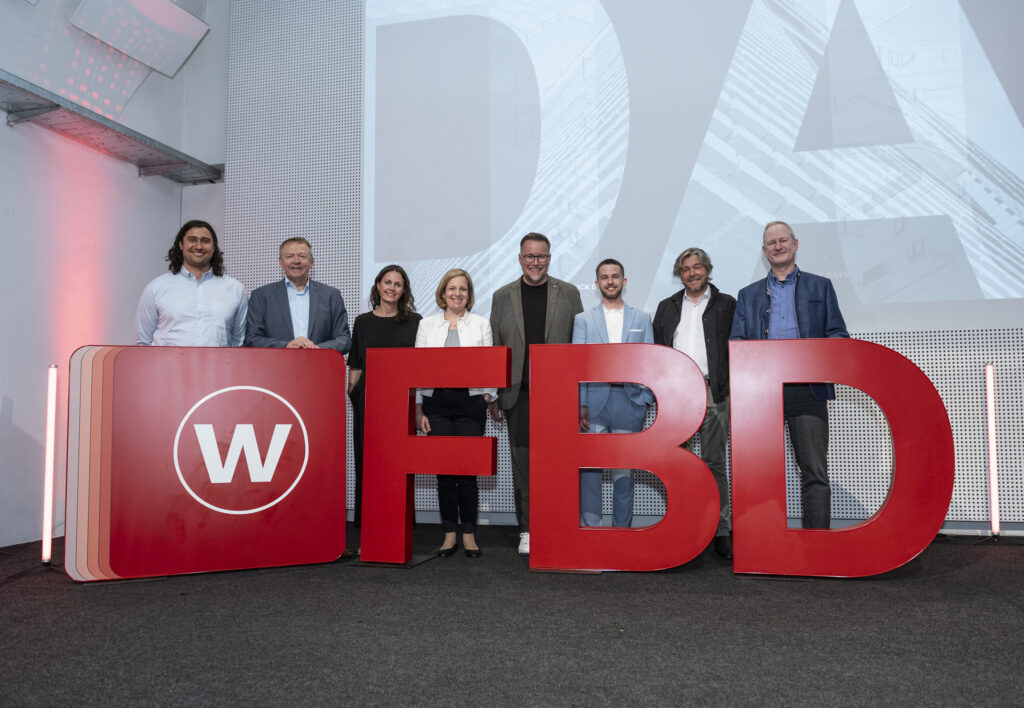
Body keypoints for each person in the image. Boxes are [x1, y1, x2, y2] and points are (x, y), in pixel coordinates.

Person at [730, 220, 849, 529]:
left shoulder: (819, 286)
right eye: (772, 243)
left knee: (814, 470)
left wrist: (817, 357)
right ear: (764, 251)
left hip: (808, 390)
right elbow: (738, 343)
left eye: (783, 240)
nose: (778, 246)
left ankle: (817, 544)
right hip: (763, 394)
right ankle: (763, 540)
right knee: (759, 471)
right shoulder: (748, 294)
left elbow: (838, 334)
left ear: (795, 244)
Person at [490, 233, 584, 555]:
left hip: (558, 397)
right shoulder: (502, 296)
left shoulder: (569, 294)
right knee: (523, 467)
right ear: (519, 258)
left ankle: (557, 524)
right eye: (529, 256)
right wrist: (494, 395)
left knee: (558, 464)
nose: (535, 262)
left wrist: (580, 398)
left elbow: (580, 351)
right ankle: (528, 529)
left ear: (549, 258)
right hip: (519, 397)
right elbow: (496, 350)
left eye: (541, 257)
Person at [653, 248, 736, 558]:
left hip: (715, 393)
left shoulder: (727, 304)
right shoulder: (667, 307)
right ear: (679, 274)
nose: (692, 273)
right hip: (678, 395)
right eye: (685, 269)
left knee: (714, 462)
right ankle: (687, 526)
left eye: (697, 267)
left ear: (707, 269)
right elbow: (659, 352)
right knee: (681, 465)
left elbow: (735, 348)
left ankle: (721, 530)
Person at [415, 269, 496, 559]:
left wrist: (488, 394)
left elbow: (490, 363)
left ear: (469, 294)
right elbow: (418, 368)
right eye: (452, 288)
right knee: (445, 474)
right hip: (436, 405)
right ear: (443, 292)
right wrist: (419, 407)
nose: (457, 293)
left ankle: (470, 535)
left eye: (463, 289)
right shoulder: (426, 325)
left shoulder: (481, 324)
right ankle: (449, 533)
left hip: (470, 405)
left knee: (468, 473)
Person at [573, 259, 653, 528]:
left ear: (624, 281)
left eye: (615, 276)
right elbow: (578, 364)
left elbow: (650, 361)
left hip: (629, 403)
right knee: (590, 472)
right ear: (597, 284)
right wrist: (580, 403)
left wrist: (644, 400)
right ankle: (591, 530)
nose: (610, 281)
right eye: (604, 277)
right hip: (593, 403)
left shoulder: (642, 318)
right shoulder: (583, 320)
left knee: (624, 472)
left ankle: (622, 532)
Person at [347, 265, 421, 530]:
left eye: (398, 284)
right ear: (378, 285)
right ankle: (369, 520)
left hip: (402, 401)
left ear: (404, 290)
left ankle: (398, 520)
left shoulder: (416, 321)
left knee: (399, 461)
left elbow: (420, 366)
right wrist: (355, 396)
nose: (392, 288)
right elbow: (355, 364)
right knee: (367, 460)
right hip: (368, 401)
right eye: (387, 282)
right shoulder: (363, 322)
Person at [134, 220, 247, 347]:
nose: (198, 246)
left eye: (205, 241)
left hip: (218, 366)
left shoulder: (235, 289)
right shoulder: (156, 288)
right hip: (168, 366)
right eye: (192, 239)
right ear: (181, 244)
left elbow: (239, 343)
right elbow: (143, 343)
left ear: (214, 247)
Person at [245, 237, 351, 353]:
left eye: (302, 256)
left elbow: (344, 339)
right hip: (276, 368)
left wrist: (317, 349)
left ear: (312, 262)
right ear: (281, 262)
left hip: (320, 367)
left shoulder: (331, 295)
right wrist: (286, 346)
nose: (296, 261)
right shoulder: (261, 296)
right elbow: (252, 339)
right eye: (289, 256)